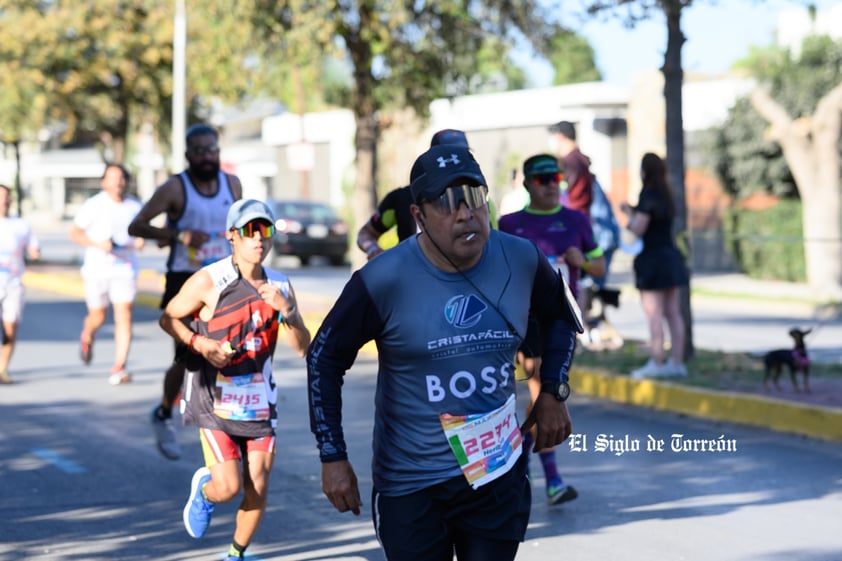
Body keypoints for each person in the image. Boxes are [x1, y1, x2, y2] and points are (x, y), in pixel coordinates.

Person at [307, 144, 582, 561]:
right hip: (412, 486)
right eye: (448, 203)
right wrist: (333, 455)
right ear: (418, 216)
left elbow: (562, 317)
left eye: (474, 197)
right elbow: (323, 359)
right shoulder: (382, 280)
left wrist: (552, 392)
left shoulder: (521, 258)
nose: (465, 213)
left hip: (497, 473)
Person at [159, 199, 310, 560]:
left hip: (259, 400)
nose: (259, 239)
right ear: (232, 236)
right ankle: (205, 491)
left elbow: (304, 348)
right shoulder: (210, 280)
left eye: (266, 230)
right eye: (249, 231)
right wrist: (200, 343)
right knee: (228, 487)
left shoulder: (280, 284)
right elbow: (169, 318)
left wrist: (287, 311)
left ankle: (236, 555)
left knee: (257, 485)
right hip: (213, 398)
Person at [128, 123, 242, 459]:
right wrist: (179, 236)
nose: (208, 156)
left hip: (224, 279)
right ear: (189, 155)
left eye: (213, 150)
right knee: (188, 356)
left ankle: (229, 422)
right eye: (201, 151)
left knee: (229, 352)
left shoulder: (231, 184)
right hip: (183, 280)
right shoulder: (175, 188)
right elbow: (136, 225)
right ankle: (164, 412)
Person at [499, 154, 604, 506]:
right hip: (523, 322)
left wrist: (583, 262)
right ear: (527, 184)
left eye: (555, 177)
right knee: (542, 394)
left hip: (562, 322)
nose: (550, 184)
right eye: (541, 179)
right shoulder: (509, 224)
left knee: (544, 396)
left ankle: (527, 469)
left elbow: (601, 266)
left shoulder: (576, 220)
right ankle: (550, 480)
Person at [356, 128, 497, 260]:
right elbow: (366, 233)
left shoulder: (484, 201)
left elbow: (493, 245)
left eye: (463, 154)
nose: (464, 214)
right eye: (444, 203)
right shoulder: (400, 199)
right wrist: (374, 250)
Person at [69, 164, 144, 385]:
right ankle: (88, 335)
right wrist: (97, 244)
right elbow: (74, 232)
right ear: (104, 182)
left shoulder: (134, 206)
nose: (117, 182)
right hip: (97, 269)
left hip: (125, 268)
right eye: (112, 178)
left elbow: (142, 232)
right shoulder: (94, 205)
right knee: (98, 316)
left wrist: (140, 240)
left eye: (121, 177)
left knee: (125, 315)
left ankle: (119, 366)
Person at [621, 152, 689, 379]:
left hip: (652, 260)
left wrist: (628, 218)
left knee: (654, 314)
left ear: (644, 171)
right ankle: (677, 362)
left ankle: (656, 362)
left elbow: (639, 228)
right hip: (671, 257)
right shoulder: (666, 194)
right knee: (673, 313)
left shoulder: (648, 194)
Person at [0, 184, 41, 384]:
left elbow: (34, 246)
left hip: (13, 283)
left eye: (6, 197)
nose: (3, 201)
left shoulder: (20, 225)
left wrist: (35, 252)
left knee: (10, 329)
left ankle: (2, 369)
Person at [547, 120, 593, 216]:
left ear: (560, 136)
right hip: (582, 218)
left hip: (570, 221)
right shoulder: (580, 160)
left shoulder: (569, 163)